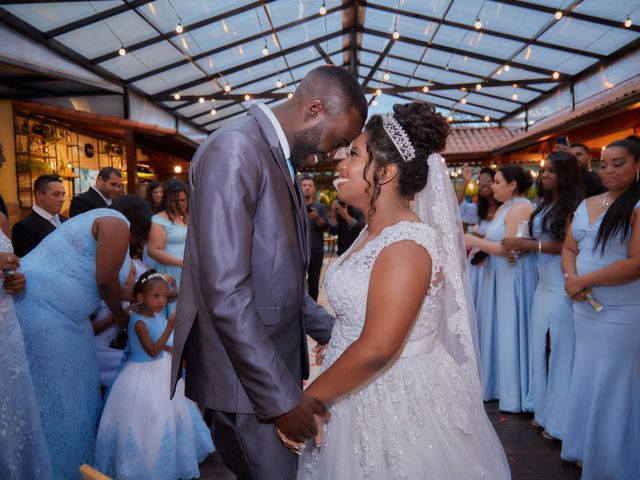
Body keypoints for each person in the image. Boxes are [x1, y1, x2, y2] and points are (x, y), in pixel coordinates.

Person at [290, 102, 510, 479]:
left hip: (396, 398)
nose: (340, 164)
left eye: (355, 154)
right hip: (353, 385)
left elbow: (378, 347)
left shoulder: (407, 244)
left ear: (387, 171)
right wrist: (342, 339)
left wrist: (307, 400)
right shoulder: (370, 231)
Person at [170, 65, 367, 480]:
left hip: (271, 370)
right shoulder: (236, 149)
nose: (335, 153)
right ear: (315, 109)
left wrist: (340, 333)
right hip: (246, 386)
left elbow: (278, 283)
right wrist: (280, 400)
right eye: (340, 140)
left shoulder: (281, 158)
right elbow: (225, 292)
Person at [13, 195, 151, 480]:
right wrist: (119, 317)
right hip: (45, 313)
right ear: (140, 223)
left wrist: (156, 295)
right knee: (57, 399)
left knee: (81, 392)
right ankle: (53, 469)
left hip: (73, 324)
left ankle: (78, 466)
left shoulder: (109, 227)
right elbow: (104, 281)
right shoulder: (115, 223)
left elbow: (113, 285)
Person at [561, 135, 640, 479]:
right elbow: (569, 248)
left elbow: (637, 264)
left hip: (621, 312)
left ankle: (612, 463)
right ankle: (585, 447)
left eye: (618, 163)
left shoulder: (638, 206)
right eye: (604, 164)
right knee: (588, 378)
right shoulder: (588, 203)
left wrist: (582, 282)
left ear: (638, 166)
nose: (608, 170)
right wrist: (571, 279)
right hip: (584, 308)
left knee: (614, 385)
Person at [94, 270, 213, 479]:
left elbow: (162, 348)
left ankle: (169, 458)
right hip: (141, 374)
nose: (161, 302)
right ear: (141, 297)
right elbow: (153, 350)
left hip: (162, 369)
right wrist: (169, 327)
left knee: (171, 416)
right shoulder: (138, 322)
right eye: (155, 296)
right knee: (146, 419)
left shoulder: (156, 315)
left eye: (164, 297)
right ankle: (144, 465)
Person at [502, 152, 583, 440]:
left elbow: (566, 245)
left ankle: (560, 420)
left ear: (566, 174)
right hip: (541, 283)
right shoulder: (544, 204)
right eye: (543, 170)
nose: (544, 175)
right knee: (539, 346)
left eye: (551, 170)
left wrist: (529, 245)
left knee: (561, 350)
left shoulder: (575, 205)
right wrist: (521, 248)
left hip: (561, 284)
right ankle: (541, 408)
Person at [465, 165, 537, 413]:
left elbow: (508, 248)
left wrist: (470, 239)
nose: (492, 186)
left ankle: (512, 391)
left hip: (512, 276)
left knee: (508, 329)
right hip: (497, 275)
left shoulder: (521, 208)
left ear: (512, 184)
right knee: (495, 328)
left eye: (497, 182)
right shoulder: (506, 207)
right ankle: (495, 384)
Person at [0, 213, 53, 479]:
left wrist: (17, 282)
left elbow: (9, 274)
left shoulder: (0, 219)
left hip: (6, 330)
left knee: (10, 410)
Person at [147, 179, 188, 316]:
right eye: (174, 201)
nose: (179, 204)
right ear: (166, 200)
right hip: (172, 270)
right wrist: (182, 263)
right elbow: (153, 250)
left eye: (183, 200)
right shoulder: (159, 219)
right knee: (173, 311)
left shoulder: (188, 216)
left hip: (190, 270)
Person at [466, 167, 500, 305]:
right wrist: (466, 182)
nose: (484, 185)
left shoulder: (504, 208)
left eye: (488, 181)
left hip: (496, 257)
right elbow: (455, 209)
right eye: (480, 182)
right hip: (478, 258)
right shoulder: (478, 208)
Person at [12, 174, 67, 257]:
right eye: (56, 194)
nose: (62, 199)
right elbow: (29, 264)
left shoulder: (66, 220)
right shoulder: (24, 227)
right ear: (39, 195)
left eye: (63, 194)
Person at [301, 175, 330, 301]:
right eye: (304, 185)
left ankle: (313, 315)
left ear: (314, 189)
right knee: (297, 284)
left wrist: (317, 217)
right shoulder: (294, 206)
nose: (307, 188)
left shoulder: (320, 207)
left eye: (310, 185)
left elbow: (326, 228)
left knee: (313, 285)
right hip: (298, 251)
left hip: (316, 251)